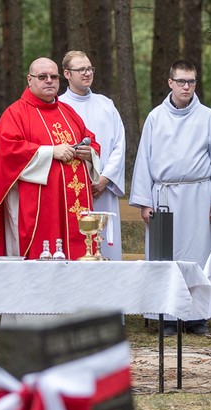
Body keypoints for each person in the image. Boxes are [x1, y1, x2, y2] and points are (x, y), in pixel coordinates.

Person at [131, 60, 211, 336]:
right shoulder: (155, 117)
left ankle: (196, 316)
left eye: (191, 81)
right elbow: (143, 160)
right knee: (166, 258)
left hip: (199, 196)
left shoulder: (208, 117)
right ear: (170, 83)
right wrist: (144, 201)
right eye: (181, 81)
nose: (186, 86)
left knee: (197, 257)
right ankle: (166, 315)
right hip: (163, 196)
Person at [0, 57, 100, 260]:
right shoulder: (16, 113)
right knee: (42, 255)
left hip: (73, 203)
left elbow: (91, 140)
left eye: (53, 76)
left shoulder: (67, 112)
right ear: (30, 80)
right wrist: (49, 152)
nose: (49, 81)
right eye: (42, 76)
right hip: (40, 205)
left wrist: (89, 153)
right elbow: (9, 150)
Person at [59, 50, 126, 259]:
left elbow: (119, 146)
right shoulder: (58, 106)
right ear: (67, 74)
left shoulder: (106, 105)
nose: (87, 73)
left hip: (103, 191)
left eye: (89, 69)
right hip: (71, 191)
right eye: (81, 69)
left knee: (105, 247)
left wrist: (104, 179)